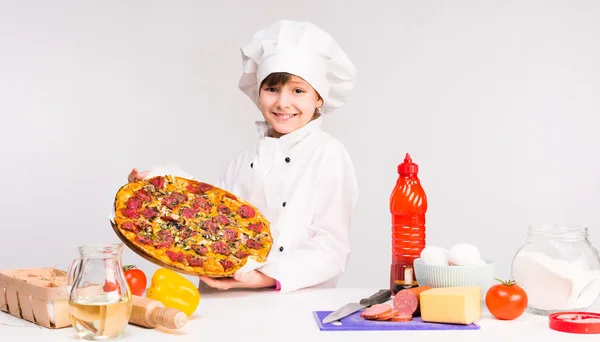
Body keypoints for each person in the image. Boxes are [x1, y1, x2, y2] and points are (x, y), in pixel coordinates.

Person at [128, 19, 358, 293]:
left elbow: (331, 248)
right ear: (258, 93)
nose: (283, 102)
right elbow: (208, 218)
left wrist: (262, 277)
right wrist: (157, 188)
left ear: (319, 98)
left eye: (298, 90)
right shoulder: (242, 161)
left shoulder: (328, 155)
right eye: (272, 89)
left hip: (297, 303)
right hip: (226, 301)